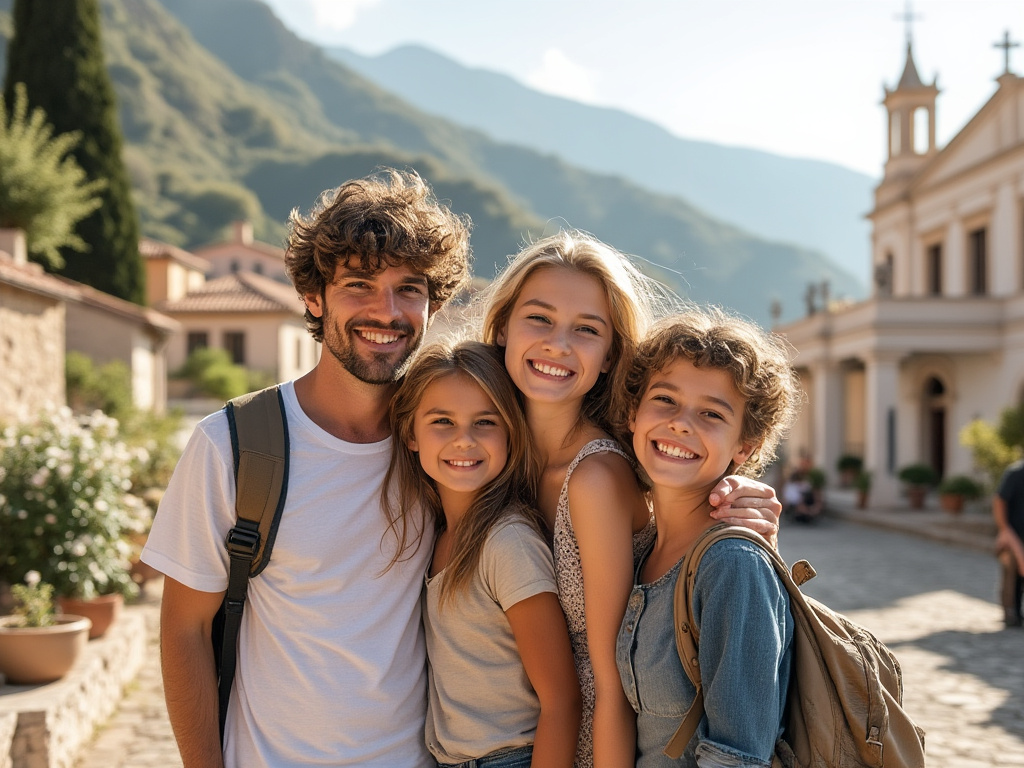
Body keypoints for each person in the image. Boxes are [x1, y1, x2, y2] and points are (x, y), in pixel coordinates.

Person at [140, 169, 472, 768]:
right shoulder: (233, 446)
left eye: (409, 289)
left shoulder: (447, 445)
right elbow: (184, 632)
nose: (386, 311)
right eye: (359, 285)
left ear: (434, 304)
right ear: (314, 297)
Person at [479, 232, 784, 768]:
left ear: (611, 353)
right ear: (502, 326)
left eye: (587, 329)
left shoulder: (596, 476)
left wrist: (740, 502)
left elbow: (610, 683)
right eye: (539, 319)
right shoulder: (482, 453)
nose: (558, 344)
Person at [614, 307, 802, 767]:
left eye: (712, 414)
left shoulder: (732, 562)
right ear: (633, 415)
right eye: (665, 400)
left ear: (746, 446)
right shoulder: (643, 547)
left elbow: (737, 756)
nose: (681, 423)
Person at [384, 339, 580, 767]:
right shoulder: (434, 536)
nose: (464, 441)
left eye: (485, 423)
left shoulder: (506, 542)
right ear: (410, 434)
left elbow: (562, 701)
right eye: (442, 422)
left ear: (510, 430)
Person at [994, 460, 1024, 628]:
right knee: (1010, 564)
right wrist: (1005, 530)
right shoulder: (1016, 472)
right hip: (1011, 536)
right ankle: (1010, 611)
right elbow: (999, 501)